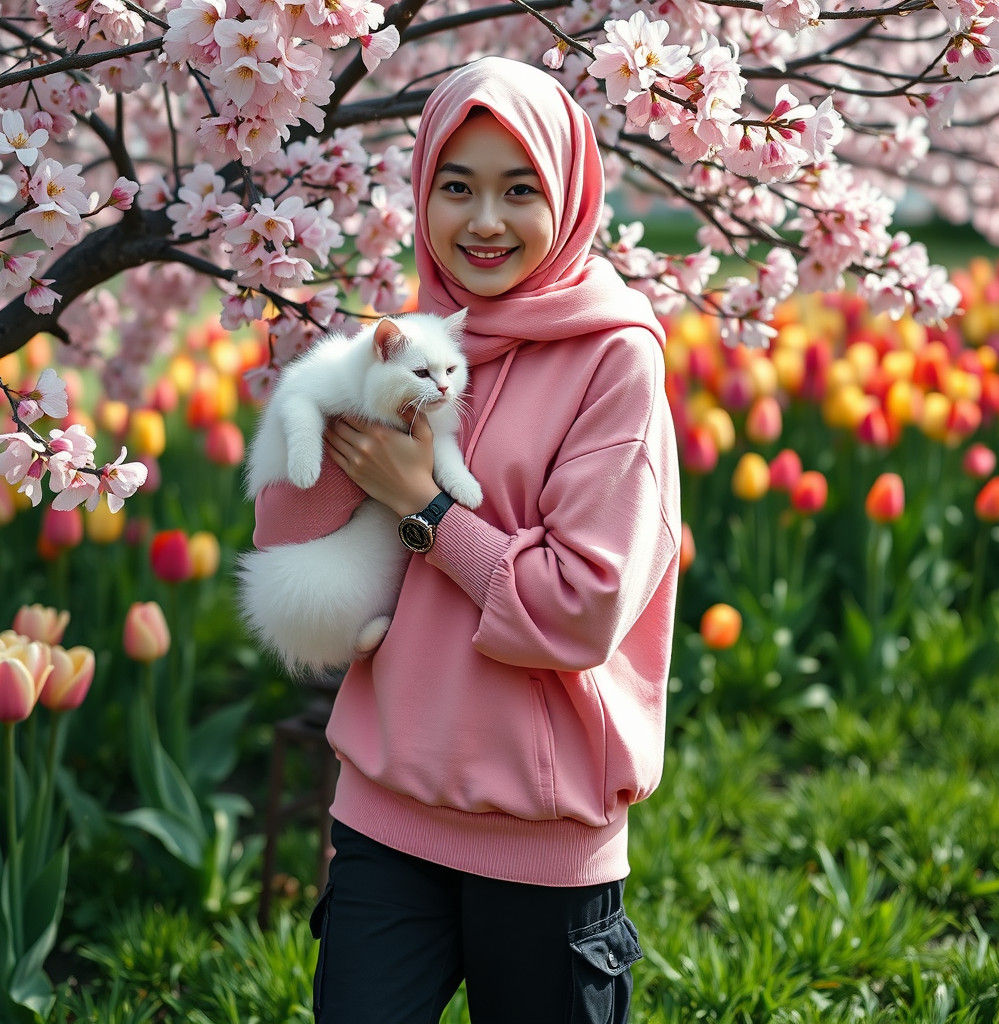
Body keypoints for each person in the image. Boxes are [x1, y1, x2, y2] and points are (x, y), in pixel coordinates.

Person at [252, 55, 681, 1024]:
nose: (483, 221)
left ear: (568, 196)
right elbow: (285, 532)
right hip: (385, 809)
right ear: (422, 195)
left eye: (518, 189)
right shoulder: (407, 341)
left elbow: (580, 609)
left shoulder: (614, 359)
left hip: (542, 835)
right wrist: (310, 394)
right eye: (457, 187)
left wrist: (428, 511)